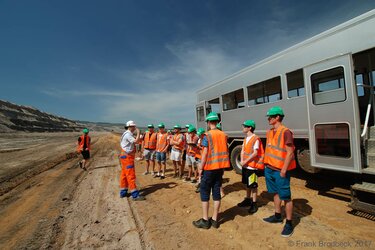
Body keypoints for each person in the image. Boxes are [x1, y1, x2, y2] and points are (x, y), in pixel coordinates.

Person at [262, 106, 296, 237]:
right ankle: (277, 215)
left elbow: (290, 153)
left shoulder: (285, 132)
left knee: (286, 196)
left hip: (280, 170)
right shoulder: (270, 132)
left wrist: (283, 170)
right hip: (270, 168)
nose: (268, 119)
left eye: (270, 117)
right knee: (275, 193)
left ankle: (289, 223)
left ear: (277, 117)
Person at [193, 112, 230, 229]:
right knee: (216, 193)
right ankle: (214, 219)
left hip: (209, 168)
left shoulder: (207, 136)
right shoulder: (224, 135)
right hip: (220, 168)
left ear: (208, 122)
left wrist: (200, 168)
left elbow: (204, 154)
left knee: (204, 193)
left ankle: (205, 220)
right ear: (217, 122)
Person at [237, 120, 264, 214]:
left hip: (252, 167)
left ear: (250, 128)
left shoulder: (255, 138)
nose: (243, 127)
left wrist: (245, 161)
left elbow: (255, 153)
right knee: (247, 184)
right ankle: (248, 199)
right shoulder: (246, 139)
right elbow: (242, 150)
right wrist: (242, 161)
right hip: (246, 166)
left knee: (253, 186)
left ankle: (254, 203)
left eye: (245, 126)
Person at [119, 121, 145, 200]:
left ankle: (123, 192)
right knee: (130, 175)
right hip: (127, 157)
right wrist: (138, 133)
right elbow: (136, 141)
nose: (135, 128)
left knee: (124, 175)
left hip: (124, 156)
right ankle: (135, 195)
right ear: (130, 126)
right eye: (134, 126)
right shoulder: (128, 134)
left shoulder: (126, 134)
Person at [194, 128, 205, 193]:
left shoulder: (205, 140)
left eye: (200, 135)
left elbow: (205, 149)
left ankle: (201, 186)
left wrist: (200, 147)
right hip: (199, 157)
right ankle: (200, 184)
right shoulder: (200, 139)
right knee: (200, 172)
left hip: (203, 158)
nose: (199, 136)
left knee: (201, 172)